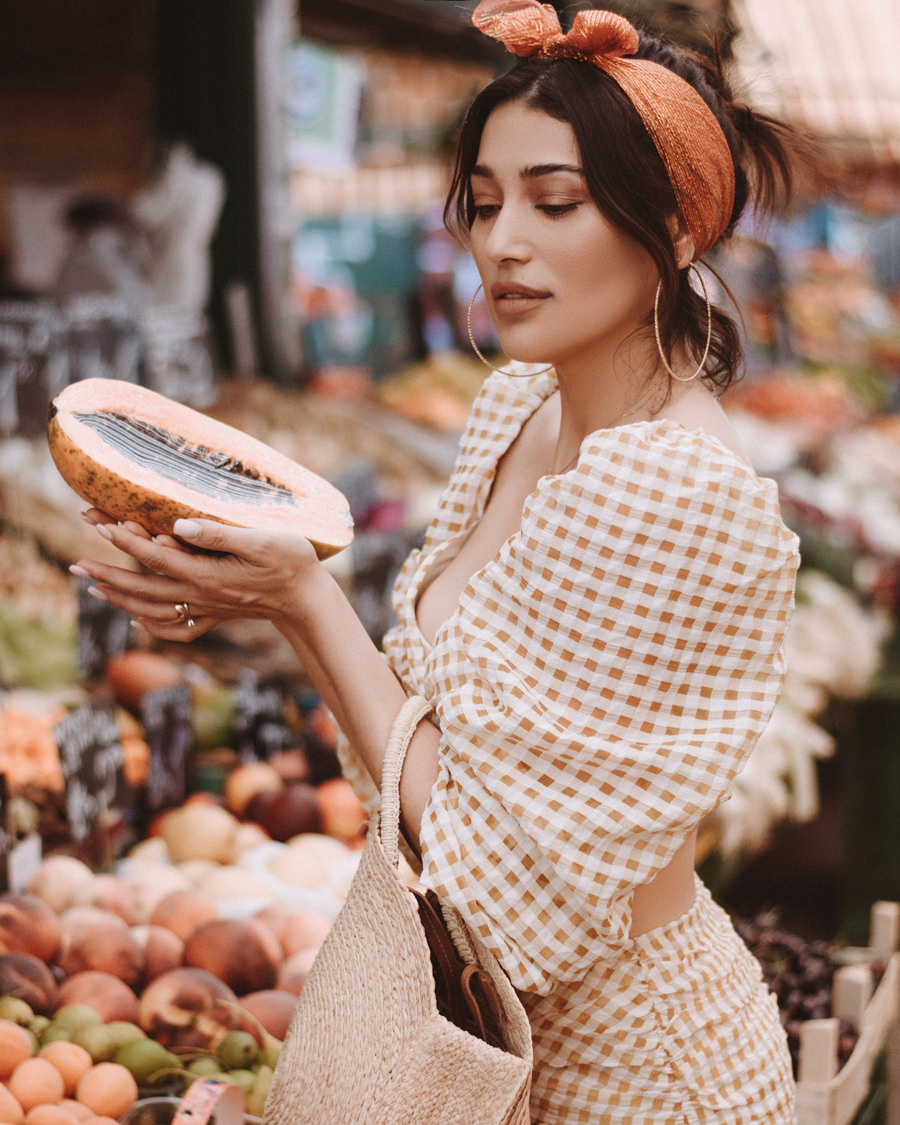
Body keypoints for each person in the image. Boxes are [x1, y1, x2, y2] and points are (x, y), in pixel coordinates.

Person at [71, 2, 807, 1120]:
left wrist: (304, 606)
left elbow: (493, 877)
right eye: (486, 202)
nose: (504, 243)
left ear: (678, 227)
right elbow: (427, 736)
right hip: (481, 1053)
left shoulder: (675, 492)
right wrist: (250, 598)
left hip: (637, 1076)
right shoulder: (520, 408)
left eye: (556, 203)